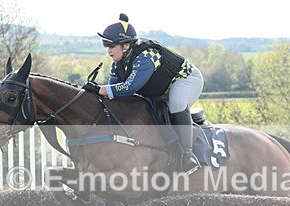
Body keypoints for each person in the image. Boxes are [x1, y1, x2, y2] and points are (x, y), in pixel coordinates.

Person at [83, 13, 204, 175]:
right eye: (106, 46)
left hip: (186, 80)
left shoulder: (146, 57)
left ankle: (188, 155)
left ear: (126, 45)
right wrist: (99, 93)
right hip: (161, 88)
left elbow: (129, 88)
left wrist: (100, 89)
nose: (108, 51)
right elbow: (114, 91)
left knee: (176, 103)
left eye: (111, 46)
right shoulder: (118, 64)